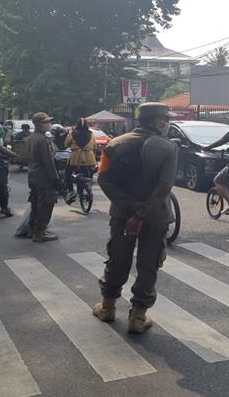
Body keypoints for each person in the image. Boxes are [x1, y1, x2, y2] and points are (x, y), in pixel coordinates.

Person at [92, 102, 178, 334]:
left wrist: (131, 209)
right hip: (156, 216)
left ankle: (108, 307)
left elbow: (104, 180)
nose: (167, 123)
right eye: (165, 119)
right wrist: (142, 214)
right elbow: (163, 188)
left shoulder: (114, 144)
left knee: (117, 259)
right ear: (157, 121)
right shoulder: (168, 148)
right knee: (149, 264)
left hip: (122, 216)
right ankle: (138, 317)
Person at [21, 112, 60, 242]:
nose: (49, 124)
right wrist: (55, 179)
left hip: (33, 176)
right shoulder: (42, 139)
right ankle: (40, 232)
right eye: (46, 122)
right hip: (44, 178)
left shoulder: (31, 138)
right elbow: (47, 161)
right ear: (38, 124)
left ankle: (32, 229)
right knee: (46, 204)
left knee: (36, 204)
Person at [64, 118, 97, 200]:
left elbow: (66, 144)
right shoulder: (91, 134)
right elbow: (95, 146)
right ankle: (89, 189)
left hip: (76, 157)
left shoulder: (73, 133)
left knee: (67, 173)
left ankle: (71, 192)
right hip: (89, 157)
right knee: (89, 174)